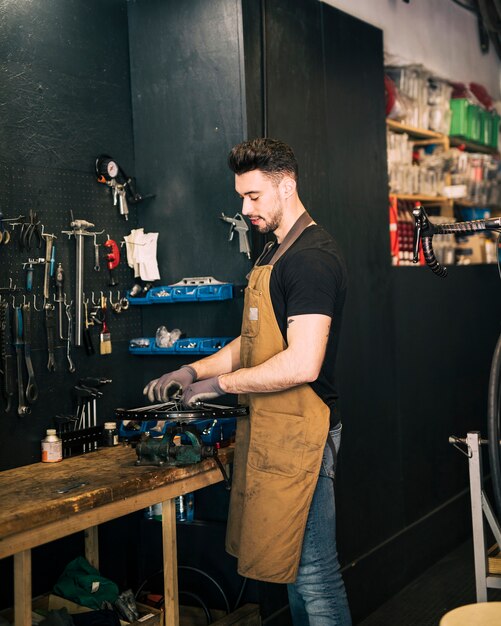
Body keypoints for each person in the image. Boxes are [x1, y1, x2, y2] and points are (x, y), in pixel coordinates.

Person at [143, 138, 351, 625]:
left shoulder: (311, 259)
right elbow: (253, 340)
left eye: (254, 196)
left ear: (287, 186)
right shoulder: (271, 254)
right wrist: (194, 370)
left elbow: (303, 364)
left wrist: (220, 387)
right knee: (298, 572)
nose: (245, 207)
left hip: (305, 433)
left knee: (316, 576)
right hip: (273, 429)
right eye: (241, 196)